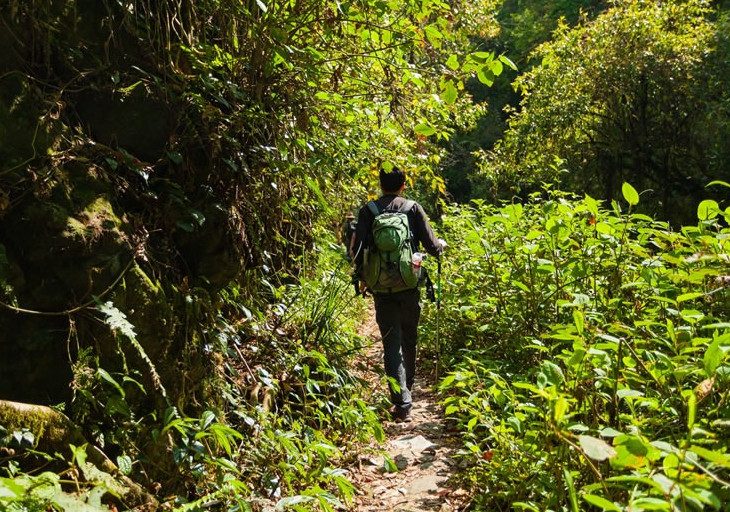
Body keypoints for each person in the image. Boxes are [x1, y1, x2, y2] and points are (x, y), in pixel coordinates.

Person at [352, 166, 444, 422]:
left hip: (381, 286)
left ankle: (401, 401)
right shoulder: (413, 208)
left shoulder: (368, 210)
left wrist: (361, 277)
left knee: (391, 342)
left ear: (380, 184)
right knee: (409, 336)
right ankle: (408, 387)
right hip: (409, 284)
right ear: (404, 184)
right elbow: (431, 245)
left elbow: (357, 251)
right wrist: (440, 248)